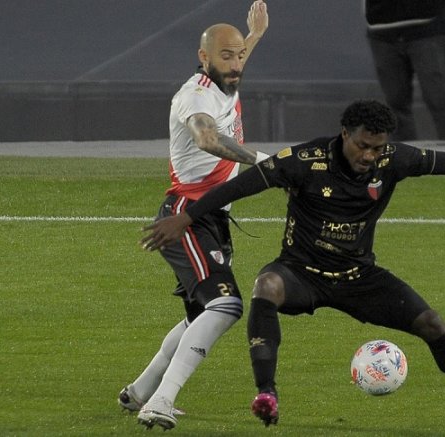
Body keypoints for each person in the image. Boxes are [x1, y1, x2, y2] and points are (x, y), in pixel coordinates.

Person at [140, 100, 445, 429]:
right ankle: (267, 394)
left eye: (377, 147)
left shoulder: (395, 160)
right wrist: (187, 217)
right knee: (265, 286)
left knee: (433, 324)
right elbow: (245, 186)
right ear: (344, 133)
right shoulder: (303, 160)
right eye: (363, 145)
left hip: (357, 277)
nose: (369, 155)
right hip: (301, 272)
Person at [117, 1, 269, 431]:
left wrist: (253, 34)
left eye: (240, 54)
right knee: (225, 305)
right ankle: (161, 401)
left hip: (211, 218)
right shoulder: (195, 95)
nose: (237, 62)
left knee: (197, 315)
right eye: (227, 55)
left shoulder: (225, 80)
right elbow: (206, 137)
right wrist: (265, 162)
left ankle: (141, 391)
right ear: (203, 58)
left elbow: (234, 65)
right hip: (187, 215)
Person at [364, 0, 445, 141]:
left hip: (428, 26)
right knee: (395, 105)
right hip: (380, 27)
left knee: (440, 102)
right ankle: (404, 161)